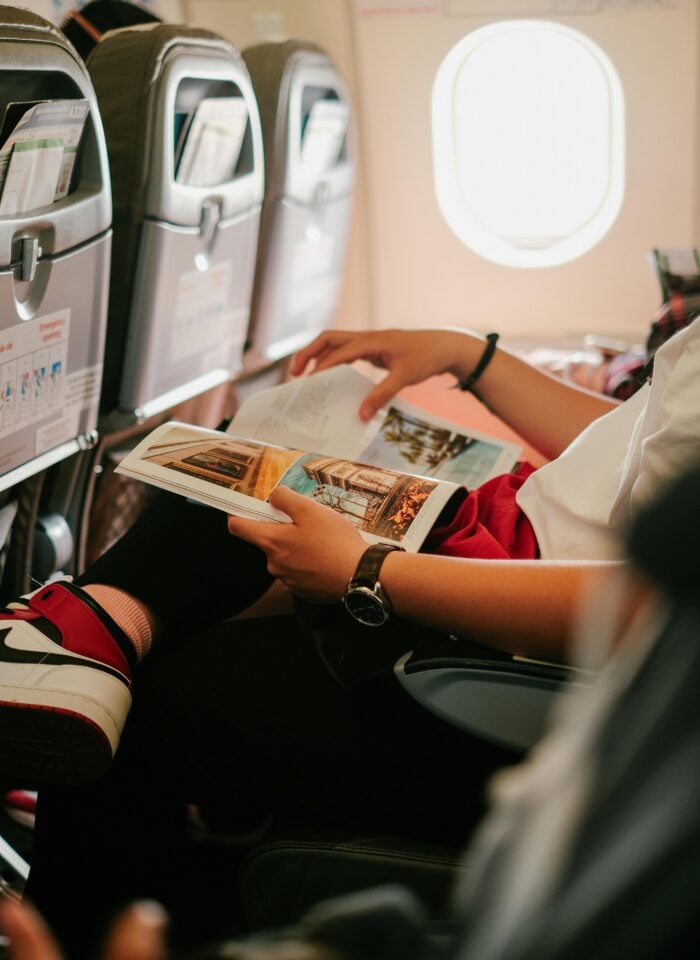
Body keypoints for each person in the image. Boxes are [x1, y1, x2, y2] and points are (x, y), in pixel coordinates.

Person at [0, 320, 698, 955]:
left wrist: (371, 570)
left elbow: (651, 602)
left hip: (523, 669)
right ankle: (74, 650)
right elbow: (642, 455)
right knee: (222, 492)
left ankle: (63, 652)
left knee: (157, 690)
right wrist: (469, 356)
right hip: (510, 559)